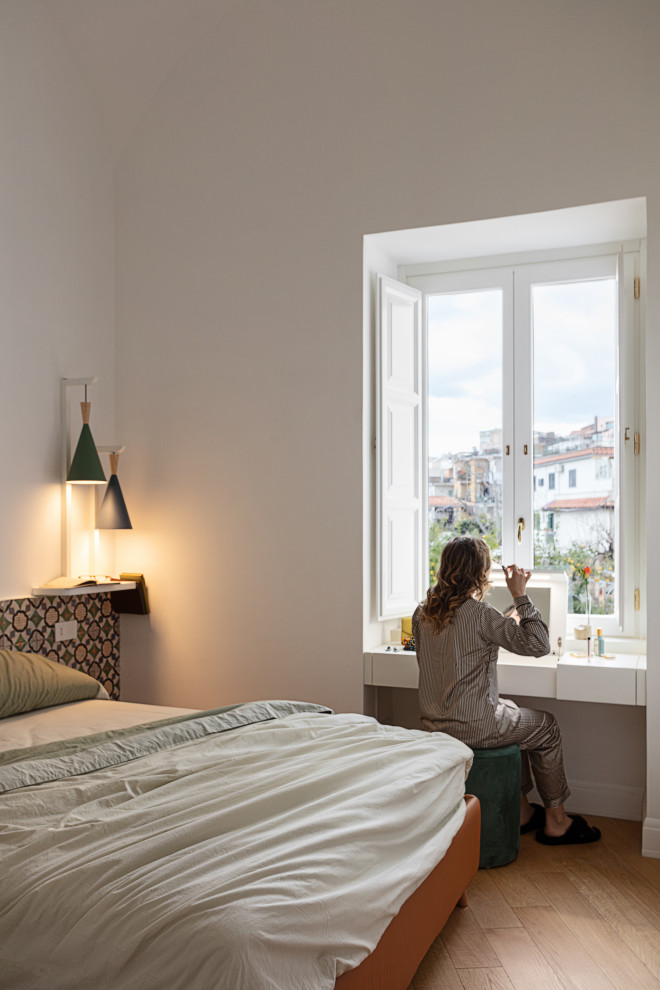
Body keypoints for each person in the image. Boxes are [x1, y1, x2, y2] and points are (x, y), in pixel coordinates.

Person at [412, 535, 600, 845]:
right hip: (475, 727)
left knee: (511, 710)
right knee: (547, 727)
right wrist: (520, 595)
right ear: (480, 573)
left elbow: (423, 649)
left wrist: (501, 625)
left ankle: (524, 811)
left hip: (434, 725)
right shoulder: (481, 615)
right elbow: (540, 645)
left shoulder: (422, 614)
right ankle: (556, 821)